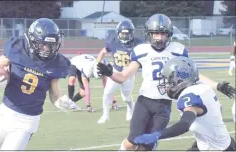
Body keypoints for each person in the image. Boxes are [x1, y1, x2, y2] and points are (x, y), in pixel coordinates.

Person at [97, 14, 236, 151]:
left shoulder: (178, 50)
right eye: (155, 33)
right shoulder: (141, 50)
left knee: (147, 146)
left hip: (164, 104)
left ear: (168, 34)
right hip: (145, 100)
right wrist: (109, 73)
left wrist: (216, 85)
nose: (158, 37)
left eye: (162, 34)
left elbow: (192, 74)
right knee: (133, 140)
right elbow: (122, 76)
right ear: (149, 34)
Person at [0, 18, 74, 150]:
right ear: (31, 40)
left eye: (50, 45)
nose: (46, 49)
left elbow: (54, 93)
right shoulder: (18, 48)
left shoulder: (57, 63)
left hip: (27, 121)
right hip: (3, 114)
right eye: (42, 44)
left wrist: (60, 101)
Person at [133, 56, 236, 151]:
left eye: (169, 80)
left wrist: (156, 135)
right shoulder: (202, 87)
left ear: (180, 80)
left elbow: (184, 125)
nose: (166, 85)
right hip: (219, 144)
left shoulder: (189, 96)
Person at [96, 20, 144, 124]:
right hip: (115, 72)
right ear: (118, 33)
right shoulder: (113, 42)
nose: (124, 36)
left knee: (126, 98)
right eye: (122, 34)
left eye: (127, 34)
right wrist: (98, 65)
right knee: (107, 93)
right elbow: (102, 52)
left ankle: (130, 109)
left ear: (131, 34)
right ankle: (105, 115)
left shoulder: (137, 44)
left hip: (128, 74)